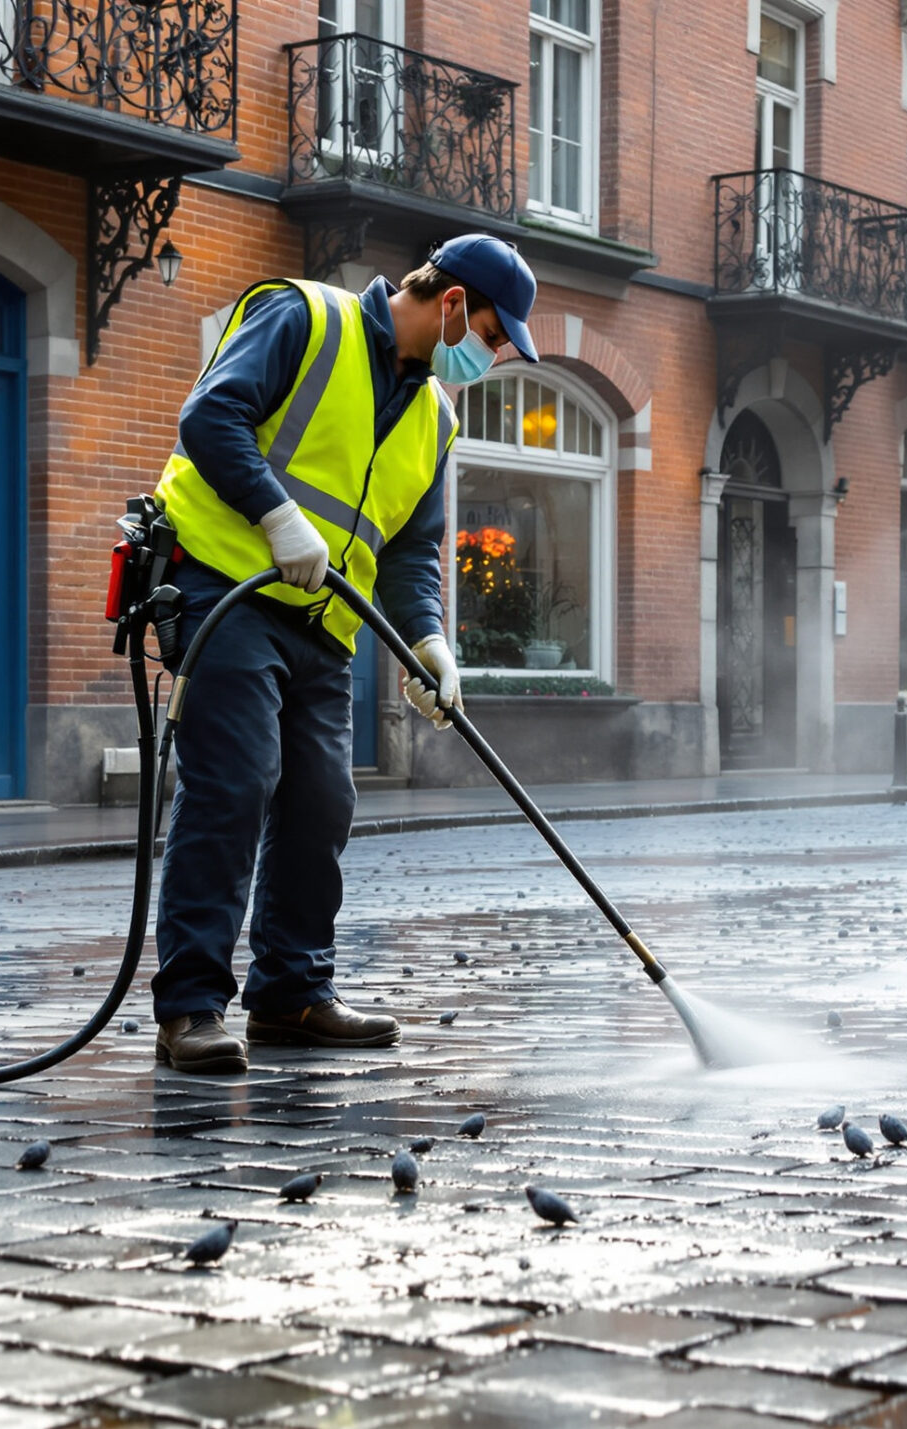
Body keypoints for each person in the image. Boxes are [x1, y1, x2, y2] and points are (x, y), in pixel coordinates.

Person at [148, 234, 539, 1074]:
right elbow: (210, 416)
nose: (495, 355)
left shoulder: (435, 414)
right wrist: (273, 513)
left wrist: (429, 640)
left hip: (323, 620)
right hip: (227, 586)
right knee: (239, 777)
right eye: (498, 335)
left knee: (324, 798)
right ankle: (189, 1008)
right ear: (456, 302)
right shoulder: (303, 317)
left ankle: (291, 994)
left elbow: (410, 548)